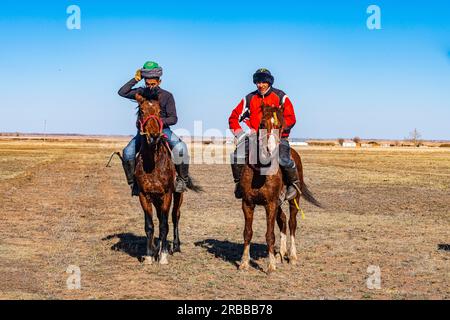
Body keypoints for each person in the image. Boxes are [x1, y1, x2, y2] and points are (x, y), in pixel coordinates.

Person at [118, 61, 190, 196]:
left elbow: (173, 118)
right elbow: (122, 92)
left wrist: (156, 122)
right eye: (147, 83)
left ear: (159, 81)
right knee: (127, 152)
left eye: (153, 84)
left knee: (181, 148)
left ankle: (182, 180)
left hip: (163, 130)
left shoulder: (167, 96)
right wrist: (135, 79)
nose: (150, 86)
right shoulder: (140, 93)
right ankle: (134, 184)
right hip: (144, 132)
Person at [228, 68, 300, 200]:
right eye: (257, 82)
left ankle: (293, 184)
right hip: (255, 137)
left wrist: (278, 131)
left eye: (263, 82)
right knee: (236, 156)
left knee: (284, 159)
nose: (260, 85)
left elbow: (291, 117)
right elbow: (233, 118)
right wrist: (242, 134)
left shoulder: (280, 97)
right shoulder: (249, 99)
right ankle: (239, 184)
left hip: (277, 136)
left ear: (269, 82)